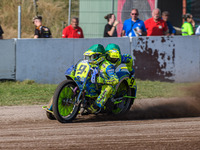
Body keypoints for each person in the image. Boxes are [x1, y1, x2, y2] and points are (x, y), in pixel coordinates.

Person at [83, 44, 119, 113]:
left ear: (100, 56)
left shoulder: (108, 66)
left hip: (106, 87)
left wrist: (103, 81)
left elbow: (116, 80)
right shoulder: (91, 64)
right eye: (90, 57)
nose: (91, 59)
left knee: (108, 88)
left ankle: (96, 106)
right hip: (96, 85)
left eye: (93, 57)